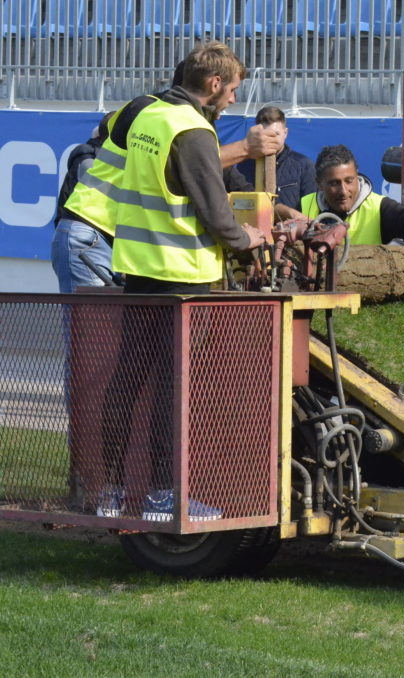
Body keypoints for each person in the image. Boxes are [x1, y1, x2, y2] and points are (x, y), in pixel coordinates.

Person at [98, 42, 272, 523]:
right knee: (172, 395)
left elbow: (103, 135)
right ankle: (161, 497)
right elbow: (218, 215)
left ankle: (109, 492)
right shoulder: (193, 130)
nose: (234, 100)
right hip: (183, 279)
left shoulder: (145, 113)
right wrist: (249, 239)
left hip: (137, 268)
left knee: (127, 384)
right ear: (214, 85)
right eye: (233, 89)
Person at [55, 64, 282, 293]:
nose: (232, 100)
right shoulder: (149, 112)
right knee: (92, 329)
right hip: (93, 231)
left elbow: (208, 171)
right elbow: (194, 168)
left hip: (111, 240)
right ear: (209, 85)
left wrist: (279, 210)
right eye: (231, 91)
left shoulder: (164, 117)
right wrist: (244, 148)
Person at [299, 144, 404, 261]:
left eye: (349, 181)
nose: (343, 191)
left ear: (357, 177)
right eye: (334, 183)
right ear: (319, 183)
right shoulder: (303, 206)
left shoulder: (378, 206)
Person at [50, 112, 118, 293]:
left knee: (97, 317)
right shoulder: (90, 161)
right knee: (89, 318)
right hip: (91, 241)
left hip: (97, 240)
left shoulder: (90, 158)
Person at [237, 105, 316, 217]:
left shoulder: (304, 166)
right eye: (266, 134)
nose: (271, 139)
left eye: (276, 134)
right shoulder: (244, 166)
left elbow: (311, 210)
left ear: (285, 133)